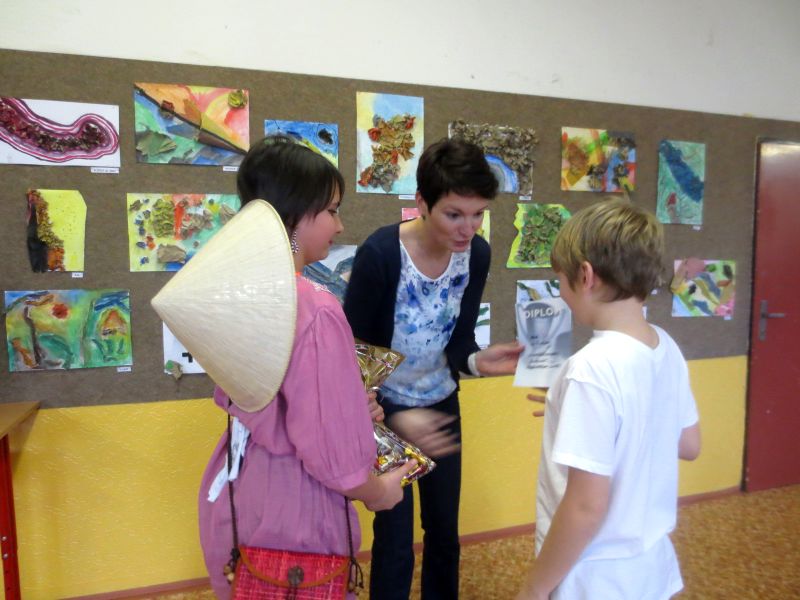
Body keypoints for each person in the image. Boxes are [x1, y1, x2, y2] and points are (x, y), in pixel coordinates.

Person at [198, 136, 413, 599]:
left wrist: (349, 410)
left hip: (243, 482)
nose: (340, 224)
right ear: (295, 215)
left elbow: (277, 402)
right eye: (331, 210)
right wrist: (378, 492)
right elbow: (331, 455)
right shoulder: (315, 308)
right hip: (296, 505)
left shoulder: (242, 293)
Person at [344, 138, 523, 599]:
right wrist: (390, 419)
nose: (468, 228)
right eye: (454, 214)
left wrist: (477, 361)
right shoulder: (382, 254)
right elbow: (354, 354)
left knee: (444, 531)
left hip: (441, 403)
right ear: (422, 203)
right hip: (385, 410)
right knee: (395, 539)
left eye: (478, 214)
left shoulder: (476, 255)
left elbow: (459, 340)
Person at [515, 198, 702, 600]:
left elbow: (585, 507)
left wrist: (534, 587)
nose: (561, 293)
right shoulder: (665, 346)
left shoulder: (590, 369)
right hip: (650, 568)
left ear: (585, 275)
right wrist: (576, 405)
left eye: (560, 281)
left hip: (592, 578)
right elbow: (689, 444)